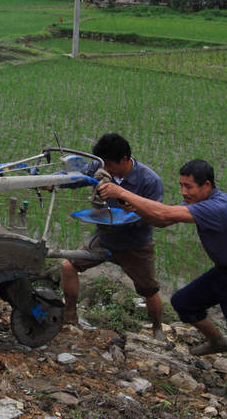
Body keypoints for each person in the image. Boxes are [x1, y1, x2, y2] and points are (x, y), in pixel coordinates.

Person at [98, 159, 227, 402]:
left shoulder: (217, 208)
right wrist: (136, 208)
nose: (183, 192)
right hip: (225, 272)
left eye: (189, 187)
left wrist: (120, 191)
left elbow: (164, 212)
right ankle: (216, 340)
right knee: (184, 302)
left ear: (207, 185)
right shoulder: (203, 202)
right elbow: (163, 220)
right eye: (181, 186)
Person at [60, 133, 167, 341]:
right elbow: (77, 178)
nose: (104, 169)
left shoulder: (149, 181)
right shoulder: (99, 167)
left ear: (125, 160)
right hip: (105, 237)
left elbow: (157, 216)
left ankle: (157, 329)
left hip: (136, 245)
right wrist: (54, 181)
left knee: (150, 290)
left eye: (109, 164)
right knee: (68, 266)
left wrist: (129, 204)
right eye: (102, 164)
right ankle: (70, 315)